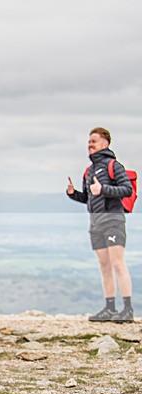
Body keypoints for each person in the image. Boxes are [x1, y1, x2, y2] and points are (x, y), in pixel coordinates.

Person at [67, 127, 134, 322]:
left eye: (93, 141)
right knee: (104, 265)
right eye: (89, 141)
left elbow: (126, 190)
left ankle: (127, 309)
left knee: (117, 263)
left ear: (104, 144)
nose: (90, 144)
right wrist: (73, 194)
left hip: (113, 219)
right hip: (95, 223)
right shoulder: (89, 171)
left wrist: (103, 188)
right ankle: (109, 308)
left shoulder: (114, 166)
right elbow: (88, 197)